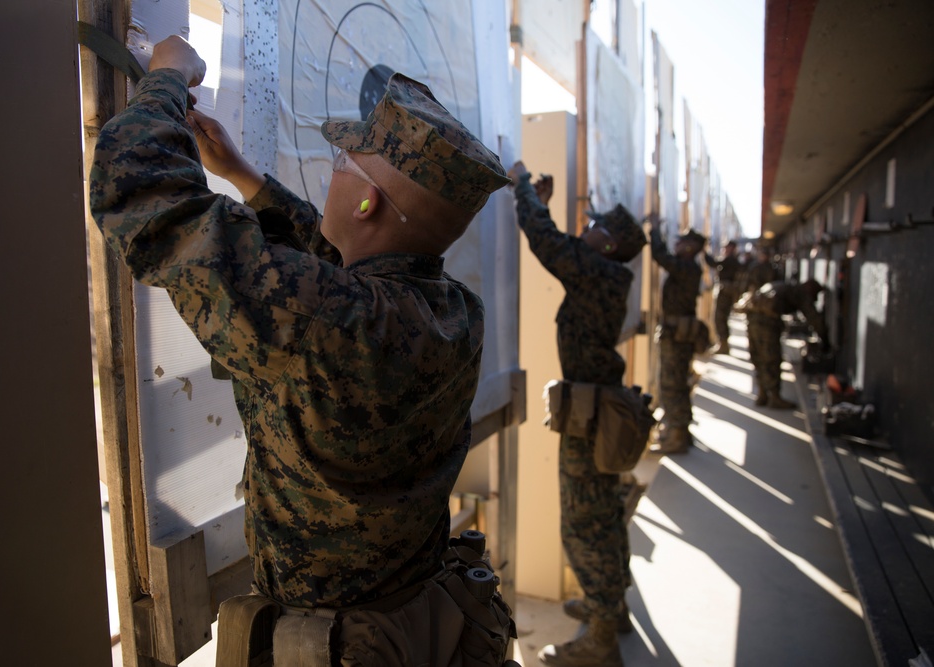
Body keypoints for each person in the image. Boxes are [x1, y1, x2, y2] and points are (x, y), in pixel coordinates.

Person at [90, 36, 516, 665]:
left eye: (345, 160)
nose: (334, 166)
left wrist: (167, 80)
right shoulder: (451, 313)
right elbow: (340, 281)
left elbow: (141, 192)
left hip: (338, 645)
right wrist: (245, 178)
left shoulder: (333, 321)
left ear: (367, 201)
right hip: (411, 621)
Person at [508, 161, 648, 667]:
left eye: (593, 227)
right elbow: (560, 241)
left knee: (585, 525)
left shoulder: (599, 272)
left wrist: (523, 186)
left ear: (609, 244)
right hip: (595, 414)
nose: (584, 231)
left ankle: (601, 637)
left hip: (591, 422)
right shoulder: (606, 273)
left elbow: (546, 241)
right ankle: (610, 605)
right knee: (605, 516)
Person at [649, 222, 707, 454]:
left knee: (672, 385)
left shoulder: (687, 267)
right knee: (677, 383)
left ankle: (677, 437)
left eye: (683, 241)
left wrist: (654, 232)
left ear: (691, 248)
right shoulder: (688, 267)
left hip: (677, 336)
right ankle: (679, 431)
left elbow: (660, 256)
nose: (678, 244)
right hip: (678, 334)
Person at [745, 279, 829, 409]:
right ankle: (774, 397)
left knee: (759, 357)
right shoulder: (800, 293)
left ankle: (762, 394)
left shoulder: (785, 286)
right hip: (767, 323)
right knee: (771, 358)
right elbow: (813, 317)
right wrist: (825, 339)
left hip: (752, 319)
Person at [704, 240, 743, 355]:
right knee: (721, 318)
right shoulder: (732, 260)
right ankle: (723, 344)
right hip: (726, 292)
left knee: (719, 318)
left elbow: (713, 263)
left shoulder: (730, 260)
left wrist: (704, 252)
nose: (724, 250)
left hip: (725, 293)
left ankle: (723, 345)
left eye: (727, 248)